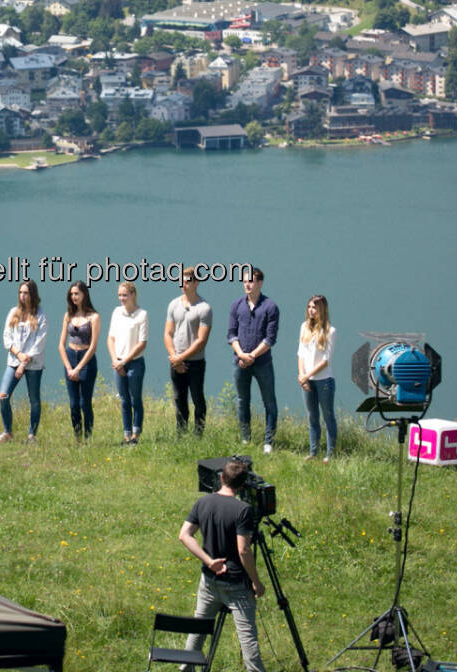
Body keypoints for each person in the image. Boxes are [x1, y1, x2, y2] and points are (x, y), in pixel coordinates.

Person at [178, 459, 268, 672]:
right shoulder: (243, 510)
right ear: (243, 485)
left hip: (209, 579)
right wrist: (256, 582)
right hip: (236, 584)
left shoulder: (203, 502)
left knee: (198, 629)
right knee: (248, 637)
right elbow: (244, 550)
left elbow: (184, 535)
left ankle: (185, 668)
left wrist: (209, 562)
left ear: (220, 478)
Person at [228, 268, 279, 453]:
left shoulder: (270, 307)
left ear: (260, 283)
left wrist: (251, 356)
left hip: (262, 363)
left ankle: (268, 442)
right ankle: (245, 439)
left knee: (269, 402)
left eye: (251, 281)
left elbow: (270, 339)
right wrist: (241, 354)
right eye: (245, 281)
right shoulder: (236, 305)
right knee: (243, 400)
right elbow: (231, 334)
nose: (247, 284)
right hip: (240, 361)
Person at [0, 279, 47, 443]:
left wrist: (24, 363)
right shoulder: (13, 312)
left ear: (32, 294)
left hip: (33, 364)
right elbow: (6, 336)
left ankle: (32, 435)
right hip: (14, 361)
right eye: (20, 292)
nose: (22, 296)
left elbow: (38, 343)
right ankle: (7, 432)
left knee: (34, 399)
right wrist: (18, 355)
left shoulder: (40, 315)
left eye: (26, 293)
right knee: (3, 396)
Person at [165, 267, 212, 436]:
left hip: (195, 362)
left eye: (187, 281)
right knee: (179, 399)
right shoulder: (173, 304)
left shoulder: (204, 308)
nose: (183, 284)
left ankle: (199, 434)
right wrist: (174, 357)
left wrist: (181, 358)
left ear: (196, 283)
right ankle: (181, 434)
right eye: (181, 281)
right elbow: (168, 333)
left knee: (197, 398)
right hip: (176, 359)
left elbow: (201, 341)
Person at [297, 294, 338, 462]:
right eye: (309, 307)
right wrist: (301, 375)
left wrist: (307, 375)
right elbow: (300, 353)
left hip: (324, 380)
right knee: (312, 416)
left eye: (314, 307)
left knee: (328, 416)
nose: (311, 310)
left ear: (322, 309)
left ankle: (330, 453)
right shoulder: (304, 327)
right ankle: (313, 452)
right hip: (307, 380)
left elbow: (326, 360)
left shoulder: (330, 331)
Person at [60, 281, 102, 441]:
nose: (74, 297)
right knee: (74, 404)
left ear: (84, 294)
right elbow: (60, 345)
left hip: (86, 360)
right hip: (70, 357)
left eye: (77, 293)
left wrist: (78, 368)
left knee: (85, 402)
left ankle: (87, 438)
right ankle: (77, 438)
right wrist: (69, 367)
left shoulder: (94, 317)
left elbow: (93, 347)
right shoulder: (68, 315)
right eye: (72, 294)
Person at [109, 281, 149, 445]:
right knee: (124, 400)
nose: (122, 298)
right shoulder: (117, 312)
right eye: (120, 295)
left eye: (125, 295)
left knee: (135, 399)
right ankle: (126, 436)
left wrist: (125, 360)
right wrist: (115, 360)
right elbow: (110, 339)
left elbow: (142, 343)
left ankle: (135, 436)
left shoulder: (142, 314)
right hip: (118, 362)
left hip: (134, 363)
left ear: (133, 295)